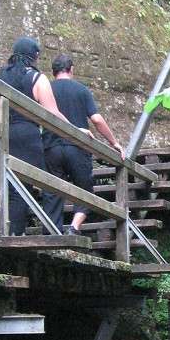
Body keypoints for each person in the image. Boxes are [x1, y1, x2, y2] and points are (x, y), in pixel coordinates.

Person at [0, 37, 68, 235]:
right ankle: (13, 236)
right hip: (26, 138)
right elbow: (53, 114)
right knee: (19, 191)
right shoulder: (37, 78)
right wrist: (74, 129)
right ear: (35, 57)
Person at [42, 53, 125, 233]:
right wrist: (113, 142)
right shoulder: (82, 90)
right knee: (85, 190)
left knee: (51, 191)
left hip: (51, 147)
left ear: (52, 72)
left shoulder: (45, 89)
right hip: (77, 148)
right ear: (72, 70)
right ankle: (73, 227)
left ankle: (50, 231)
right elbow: (96, 119)